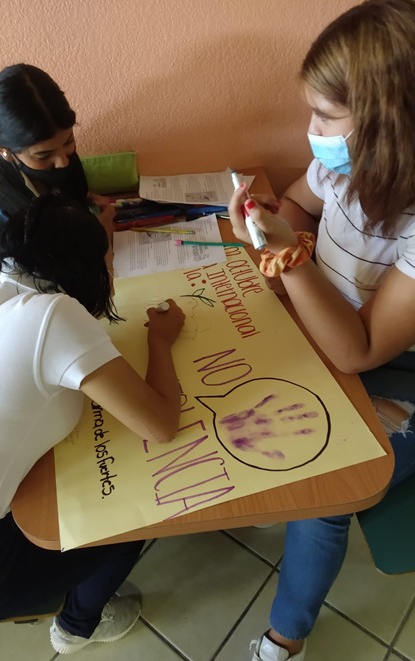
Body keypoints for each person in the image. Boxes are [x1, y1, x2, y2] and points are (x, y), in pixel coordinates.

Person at [0, 193, 185, 659]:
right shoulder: (56, 314)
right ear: (84, 267)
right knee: (129, 518)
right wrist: (160, 341)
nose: (112, 267)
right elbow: (160, 425)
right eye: (107, 257)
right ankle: (76, 628)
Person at [228, 1, 415, 659]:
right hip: (332, 332)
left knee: (326, 488)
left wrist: (288, 259)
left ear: (392, 123)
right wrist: (266, 223)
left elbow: (360, 349)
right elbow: (299, 203)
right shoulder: (342, 165)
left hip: (393, 367)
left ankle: (287, 635)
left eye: (327, 116)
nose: (311, 130)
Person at [0, 63, 115, 311]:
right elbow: (1, 297)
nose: (63, 161)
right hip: (11, 313)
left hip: (57, 289)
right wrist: (97, 240)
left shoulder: (52, 157)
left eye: (69, 141)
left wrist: (84, 209)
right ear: (5, 151)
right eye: (44, 155)